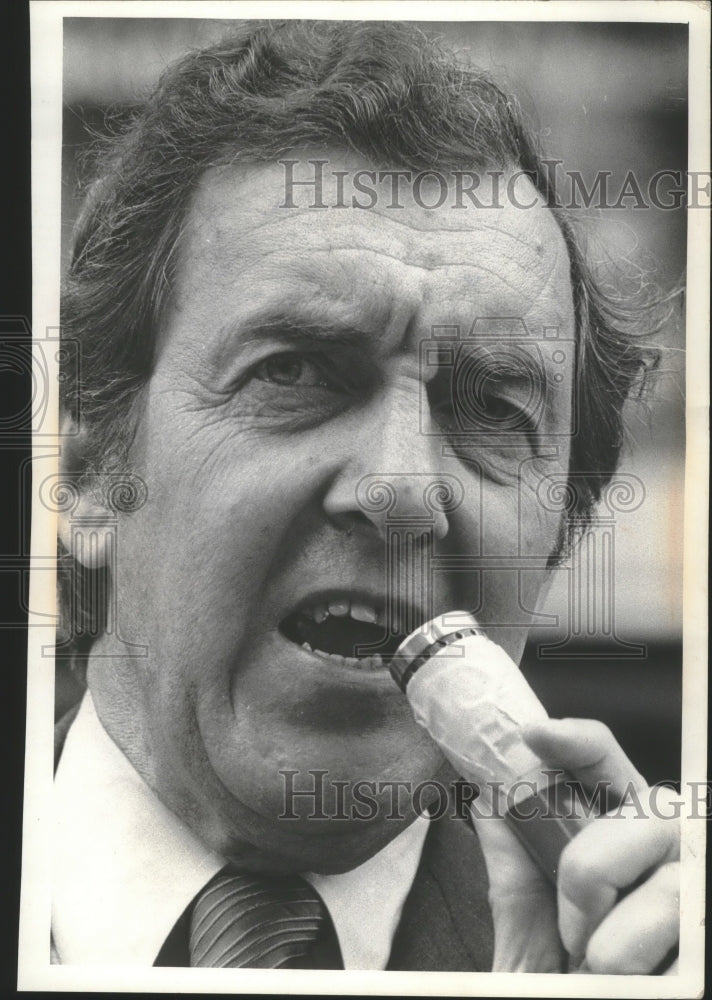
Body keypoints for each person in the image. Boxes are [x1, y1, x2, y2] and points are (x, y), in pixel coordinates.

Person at [52, 20, 679, 973]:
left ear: (562, 534)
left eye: (492, 410)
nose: (402, 489)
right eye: (296, 371)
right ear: (95, 477)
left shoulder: (625, 955)